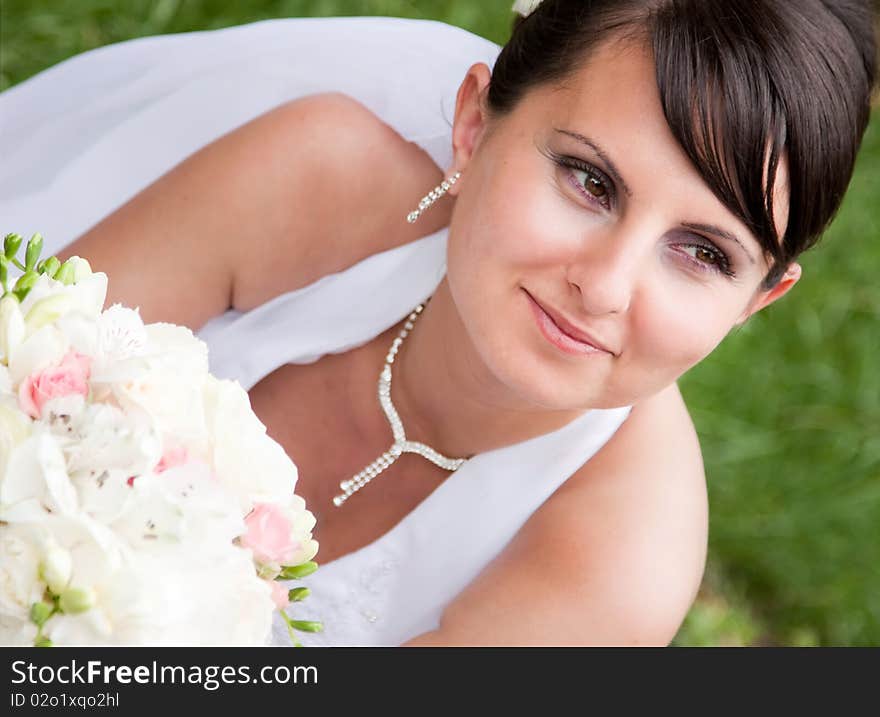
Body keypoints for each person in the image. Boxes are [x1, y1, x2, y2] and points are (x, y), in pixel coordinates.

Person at [2, 1, 875, 646]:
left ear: (760, 298)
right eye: (589, 181)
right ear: (471, 124)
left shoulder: (621, 556)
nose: (606, 287)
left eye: (703, 253)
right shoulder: (318, 182)